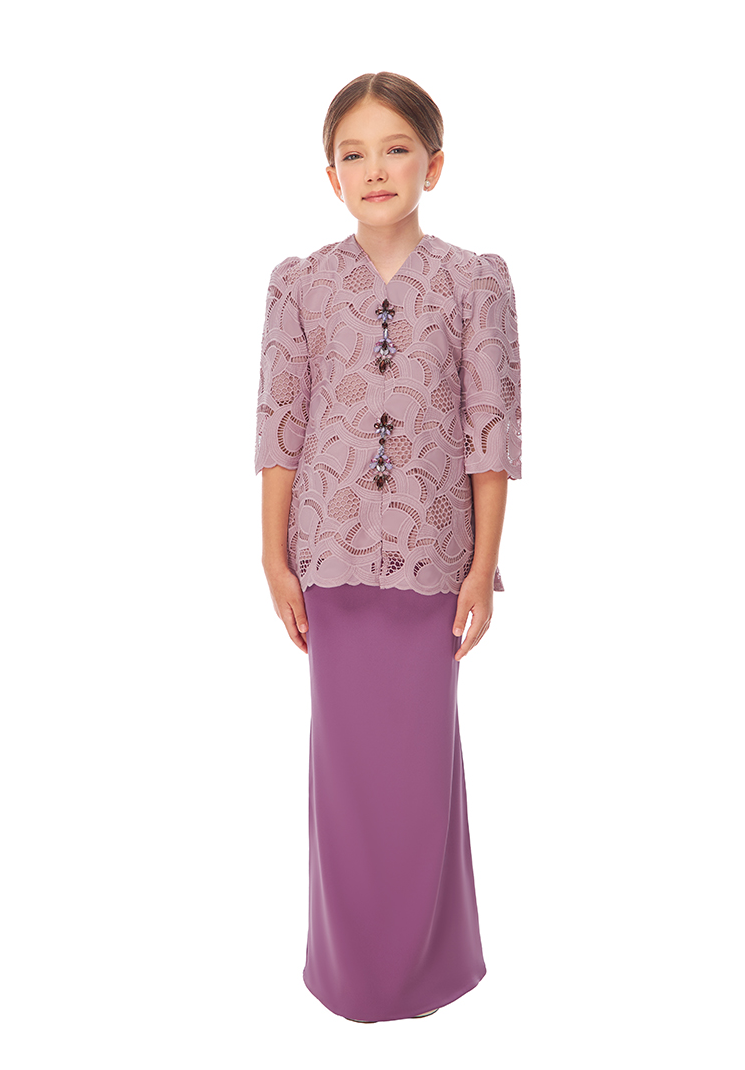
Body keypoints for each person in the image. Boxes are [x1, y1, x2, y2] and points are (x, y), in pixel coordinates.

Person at [255, 71, 522, 1023]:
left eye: (396, 148)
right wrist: (273, 559)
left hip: (433, 564)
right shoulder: (299, 285)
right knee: (346, 775)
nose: (375, 168)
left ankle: (432, 965)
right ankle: (354, 973)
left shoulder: (475, 281)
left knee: (420, 771)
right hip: (328, 562)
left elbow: (492, 430)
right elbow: (280, 425)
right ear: (331, 176)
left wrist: (483, 568)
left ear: (433, 165)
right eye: (354, 154)